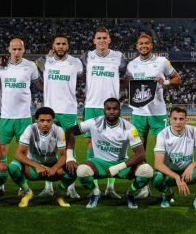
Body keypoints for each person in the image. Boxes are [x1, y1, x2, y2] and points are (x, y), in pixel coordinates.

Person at [65, 98, 153, 209]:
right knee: (82, 171)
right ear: (104, 110)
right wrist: (69, 156)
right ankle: (96, 193)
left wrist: (118, 167)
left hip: (121, 163)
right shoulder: (94, 122)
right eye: (108, 109)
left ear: (120, 110)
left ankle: (130, 193)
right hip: (99, 163)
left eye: (115, 109)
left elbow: (141, 154)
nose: (111, 111)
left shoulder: (129, 128)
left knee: (147, 171)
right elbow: (70, 131)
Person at [126, 33, 182, 199]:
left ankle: (163, 187)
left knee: (162, 151)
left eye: (147, 43)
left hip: (158, 113)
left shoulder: (162, 62)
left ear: (151, 46)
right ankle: (143, 187)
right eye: (141, 43)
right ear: (137, 46)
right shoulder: (131, 65)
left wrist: (165, 82)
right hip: (138, 113)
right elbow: (128, 84)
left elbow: (178, 79)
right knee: (139, 152)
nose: (144, 46)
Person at [80, 27, 127, 199]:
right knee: (91, 146)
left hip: (112, 106)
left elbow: (126, 75)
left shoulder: (119, 57)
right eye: (98, 38)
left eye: (104, 38)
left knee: (114, 145)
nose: (101, 40)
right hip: (92, 105)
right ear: (94, 41)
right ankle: (95, 187)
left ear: (109, 40)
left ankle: (110, 186)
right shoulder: (87, 56)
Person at [35, 34, 83, 199]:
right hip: (50, 111)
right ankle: (48, 186)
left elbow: (83, 74)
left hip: (69, 110)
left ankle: (70, 187)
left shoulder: (76, 63)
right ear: (53, 46)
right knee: (48, 149)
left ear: (68, 46)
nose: (61, 46)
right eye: (58, 44)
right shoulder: (45, 61)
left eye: (63, 44)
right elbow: (36, 70)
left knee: (70, 149)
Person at [0, 38, 43, 188]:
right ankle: (1, 182)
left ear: (24, 50)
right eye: (13, 49)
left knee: (24, 153)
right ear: (8, 49)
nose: (16, 52)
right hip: (5, 116)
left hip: (24, 116)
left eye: (19, 49)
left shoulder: (31, 66)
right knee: (1, 151)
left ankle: (23, 185)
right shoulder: (1, 66)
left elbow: (41, 85)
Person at [8, 107, 76, 207]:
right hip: (33, 169)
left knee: (73, 168)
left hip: (51, 170)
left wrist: (54, 168)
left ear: (53, 120)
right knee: (13, 167)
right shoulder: (30, 129)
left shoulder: (58, 130)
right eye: (42, 120)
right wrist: (36, 166)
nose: (45, 123)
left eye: (48, 121)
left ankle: (59, 193)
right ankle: (27, 192)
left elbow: (64, 155)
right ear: (36, 121)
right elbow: (18, 154)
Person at [152, 106, 196, 211]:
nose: (178, 122)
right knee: (156, 178)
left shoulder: (193, 130)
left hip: (188, 174)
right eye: (175, 119)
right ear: (170, 120)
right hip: (170, 175)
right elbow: (158, 164)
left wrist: (192, 165)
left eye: (181, 119)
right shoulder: (162, 135)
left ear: (186, 119)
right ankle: (168, 194)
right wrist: (177, 177)